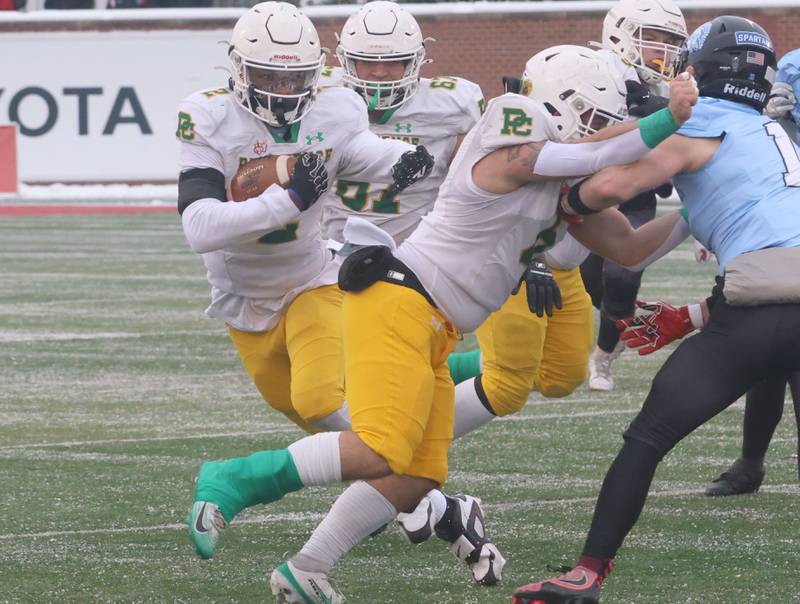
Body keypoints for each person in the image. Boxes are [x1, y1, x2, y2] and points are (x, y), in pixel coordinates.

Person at [186, 38, 698, 603]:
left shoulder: (557, 178)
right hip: (399, 301)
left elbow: (629, 250)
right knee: (379, 448)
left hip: (436, 323)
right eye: (595, 118)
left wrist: (699, 215)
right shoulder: (513, 121)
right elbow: (572, 157)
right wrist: (667, 126)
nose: (601, 131)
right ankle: (235, 479)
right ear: (563, 101)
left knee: (418, 474)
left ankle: (306, 570)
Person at [513, 16, 800, 604]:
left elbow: (611, 190)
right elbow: (639, 246)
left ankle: (587, 574)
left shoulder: (706, 124)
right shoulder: (771, 140)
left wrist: (558, 192)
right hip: (764, 302)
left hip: (760, 315)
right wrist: (692, 316)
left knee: (647, 439)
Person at [177, 0, 432, 562]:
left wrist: (398, 157)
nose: (284, 87)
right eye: (270, 74)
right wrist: (288, 199)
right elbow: (200, 226)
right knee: (309, 412)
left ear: (316, 70)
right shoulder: (209, 116)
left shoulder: (336, 105)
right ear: (240, 69)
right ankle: (414, 489)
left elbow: (356, 150)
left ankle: (412, 477)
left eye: (296, 75)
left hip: (312, 279)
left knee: (319, 396)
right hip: (242, 299)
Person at [580, 0, 688, 392]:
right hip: (588, 189)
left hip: (636, 192)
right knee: (592, 282)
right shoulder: (592, 69)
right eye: (653, 39)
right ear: (619, 36)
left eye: (670, 41)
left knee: (623, 273)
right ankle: (616, 324)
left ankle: (603, 356)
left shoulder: (669, 83)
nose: (664, 50)